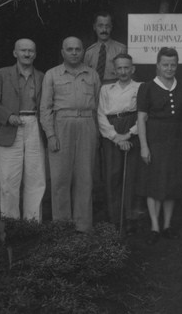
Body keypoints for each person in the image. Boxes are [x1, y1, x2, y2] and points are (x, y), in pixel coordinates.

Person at [40, 37, 101, 233]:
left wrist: (97, 133)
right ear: (62, 52)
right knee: (60, 178)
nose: (74, 52)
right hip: (61, 126)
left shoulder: (92, 74)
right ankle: (62, 226)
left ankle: (83, 226)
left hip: (86, 125)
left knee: (85, 177)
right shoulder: (52, 75)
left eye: (77, 49)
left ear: (83, 51)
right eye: (70, 49)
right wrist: (50, 135)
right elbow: (45, 108)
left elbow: (99, 106)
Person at [0, 38, 45, 221]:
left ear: (35, 54)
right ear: (15, 53)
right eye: (23, 50)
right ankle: (11, 224)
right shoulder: (2, 74)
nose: (27, 54)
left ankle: (32, 223)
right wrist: (9, 116)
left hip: (34, 125)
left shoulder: (42, 76)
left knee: (36, 177)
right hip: (10, 126)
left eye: (31, 51)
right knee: (9, 179)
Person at [137, 47, 182, 245]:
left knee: (172, 184)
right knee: (154, 184)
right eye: (165, 65)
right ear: (158, 65)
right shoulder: (147, 87)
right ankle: (154, 226)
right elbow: (141, 118)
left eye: (173, 65)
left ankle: (167, 225)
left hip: (176, 138)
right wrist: (144, 146)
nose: (169, 68)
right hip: (155, 139)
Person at [97, 53, 141, 234]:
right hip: (111, 132)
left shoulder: (140, 87)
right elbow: (100, 115)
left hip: (132, 129)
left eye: (126, 67)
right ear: (114, 70)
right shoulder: (106, 89)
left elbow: (144, 114)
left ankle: (130, 218)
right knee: (112, 175)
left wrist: (129, 134)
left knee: (131, 176)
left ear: (133, 69)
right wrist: (115, 137)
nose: (123, 71)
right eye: (119, 68)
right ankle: (114, 219)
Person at [84, 11, 127, 84]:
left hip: (114, 91)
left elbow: (127, 75)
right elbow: (85, 77)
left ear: (111, 27)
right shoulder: (89, 52)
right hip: (94, 90)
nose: (104, 30)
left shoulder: (121, 50)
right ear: (94, 27)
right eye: (100, 26)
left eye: (107, 26)